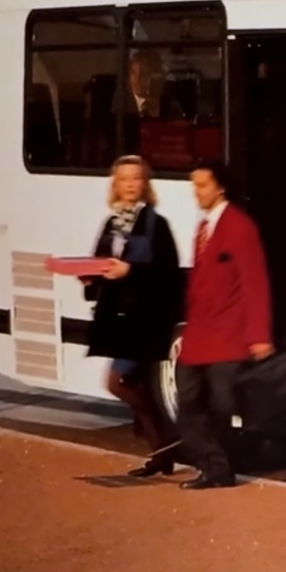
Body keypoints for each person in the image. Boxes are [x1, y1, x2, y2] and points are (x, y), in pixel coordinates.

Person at [81, 156, 183, 476]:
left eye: (135, 179)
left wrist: (131, 271)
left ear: (145, 185)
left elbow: (168, 274)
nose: (129, 185)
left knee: (116, 382)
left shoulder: (156, 224)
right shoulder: (112, 224)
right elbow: (100, 263)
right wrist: (90, 276)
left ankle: (168, 442)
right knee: (135, 384)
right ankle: (163, 453)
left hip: (146, 320)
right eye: (123, 179)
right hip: (122, 319)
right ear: (115, 185)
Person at [177, 160, 273, 489]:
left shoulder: (238, 227)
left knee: (221, 403)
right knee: (188, 403)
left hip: (227, 334)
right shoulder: (204, 228)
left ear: (220, 187)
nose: (196, 193)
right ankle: (216, 463)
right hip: (200, 332)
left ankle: (219, 468)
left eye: (202, 186)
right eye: (195, 186)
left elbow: (254, 282)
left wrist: (259, 335)